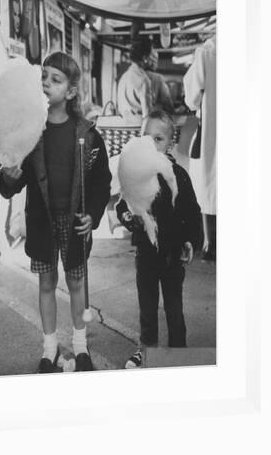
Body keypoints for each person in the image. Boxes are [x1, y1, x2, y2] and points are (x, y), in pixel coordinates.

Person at [0, 52, 111, 373]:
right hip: (42, 222)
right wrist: (9, 175)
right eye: (43, 77)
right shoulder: (30, 133)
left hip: (75, 224)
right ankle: (49, 351)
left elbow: (102, 181)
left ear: (71, 92)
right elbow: (9, 184)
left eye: (55, 79)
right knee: (46, 284)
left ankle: (80, 347)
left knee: (77, 285)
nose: (46, 83)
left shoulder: (88, 135)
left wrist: (92, 214)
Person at [116, 110, 201, 368]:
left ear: (171, 144)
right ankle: (147, 348)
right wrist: (129, 218)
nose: (151, 145)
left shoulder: (179, 176)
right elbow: (123, 205)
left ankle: (178, 352)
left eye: (159, 139)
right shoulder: (136, 175)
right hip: (146, 256)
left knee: (174, 309)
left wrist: (190, 240)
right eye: (145, 137)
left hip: (173, 255)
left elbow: (192, 211)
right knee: (147, 308)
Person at [183, 36, 217, 261]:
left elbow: (192, 97)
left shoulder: (206, 52)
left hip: (213, 130)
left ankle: (209, 242)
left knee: (209, 183)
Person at [116, 37, 154, 118]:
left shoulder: (124, 77)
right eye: (151, 55)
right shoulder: (143, 79)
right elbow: (147, 115)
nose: (152, 59)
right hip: (138, 127)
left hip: (123, 125)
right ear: (145, 58)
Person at [145, 48, 174, 113]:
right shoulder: (158, 78)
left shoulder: (129, 75)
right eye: (156, 60)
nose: (157, 64)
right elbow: (167, 102)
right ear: (151, 62)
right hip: (151, 118)